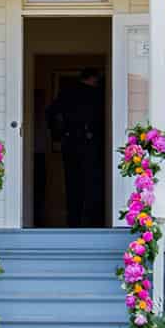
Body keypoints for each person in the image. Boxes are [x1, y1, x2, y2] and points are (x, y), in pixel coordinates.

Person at [46, 67, 106, 227]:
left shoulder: (66, 93)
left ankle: (73, 221)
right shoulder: (96, 94)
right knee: (92, 183)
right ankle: (93, 222)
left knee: (72, 183)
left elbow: (51, 113)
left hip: (70, 143)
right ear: (92, 78)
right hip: (91, 144)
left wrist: (58, 135)